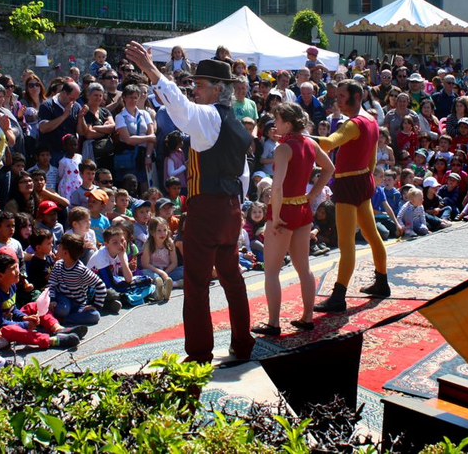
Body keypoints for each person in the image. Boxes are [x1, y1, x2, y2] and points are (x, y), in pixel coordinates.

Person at [124, 41, 255, 364]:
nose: (194, 89)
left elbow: (180, 108)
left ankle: (199, 354)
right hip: (231, 208)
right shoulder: (237, 126)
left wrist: (152, 71)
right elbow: (244, 176)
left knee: (197, 283)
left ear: (217, 89)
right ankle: (242, 343)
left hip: (206, 208)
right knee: (232, 278)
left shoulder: (208, 116)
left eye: (200, 84)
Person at [252, 102, 334, 336]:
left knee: (271, 271)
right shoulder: (310, 143)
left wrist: (276, 216)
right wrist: (312, 194)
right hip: (302, 208)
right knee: (303, 268)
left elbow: (277, 187)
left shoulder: (283, 149)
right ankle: (307, 317)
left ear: (288, 123)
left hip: (284, 209)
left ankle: (273, 323)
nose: (274, 125)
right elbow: (329, 168)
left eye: (278, 120)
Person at [314, 80, 388, 313]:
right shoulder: (372, 120)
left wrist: (298, 136)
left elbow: (328, 143)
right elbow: (372, 160)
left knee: (346, 243)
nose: (337, 100)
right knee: (372, 235)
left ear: (356, 97)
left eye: (341, 96)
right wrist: (367, 181)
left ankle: (338, 297)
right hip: (363, 181)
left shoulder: (353, 124)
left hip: (348, 184)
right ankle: (382, 282)